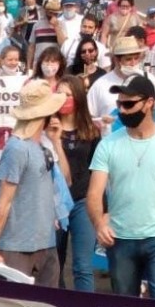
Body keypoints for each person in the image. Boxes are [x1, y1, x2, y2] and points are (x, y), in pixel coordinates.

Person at [0, 80, 68, 287]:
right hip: (17, 247)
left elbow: (66, 182)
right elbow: (4, 200)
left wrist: (57, 141)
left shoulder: (43, 147)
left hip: (46, 244)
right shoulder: (17, 148)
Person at [88, 74, 155, 298]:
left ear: (149, 103)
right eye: (119, 104)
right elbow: (94, 194)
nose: (123, 110)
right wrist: (100, 224)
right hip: (120, 239)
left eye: (128, 104)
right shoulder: (108, 144)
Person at [53, 76, 100, 292]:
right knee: (54, 264)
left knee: (83, 266)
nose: (63, 99)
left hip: (82, 202)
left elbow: (97, 171)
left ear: (78, 98)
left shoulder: (91, 130)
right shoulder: (48, 127)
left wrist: (102, 208)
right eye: (59, 94)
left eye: (68, 95)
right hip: (54, 204)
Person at [87, 36, 155, 135]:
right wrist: (100, 122)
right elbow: (88, 117)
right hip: (112, 143)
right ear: (116, 60)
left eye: (136, 58)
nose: (133, 63)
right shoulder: (100, 85)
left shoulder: (149, 79)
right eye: (128, 59)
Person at [27, 0, 62, 72]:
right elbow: (31, 47)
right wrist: (28, 67)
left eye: (55, 13)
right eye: (50, 12)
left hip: (54, 63)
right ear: (45, 11)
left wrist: (56, 27)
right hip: (38, 63)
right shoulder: (37, 25)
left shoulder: (61, 24)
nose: (52, 15)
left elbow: (63, 44)